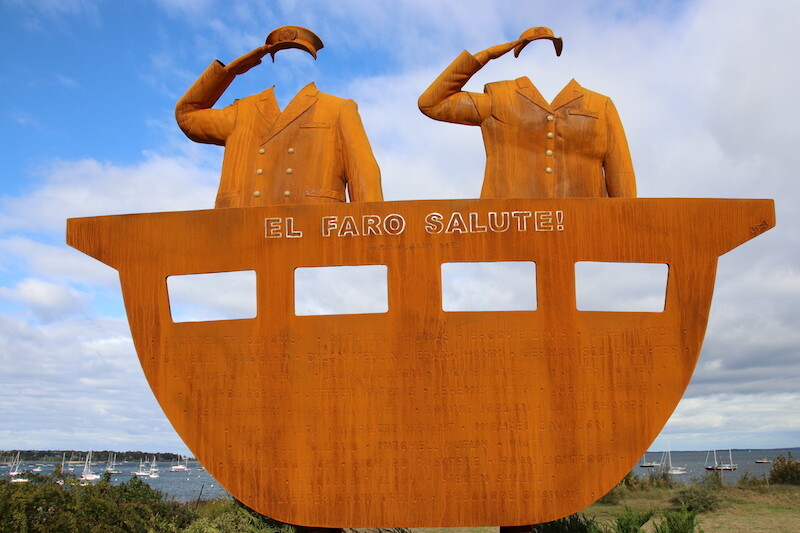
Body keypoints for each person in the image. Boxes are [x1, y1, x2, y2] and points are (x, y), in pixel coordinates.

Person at [176, 26, 383, 208]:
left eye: (300, 56)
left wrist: (372, 229)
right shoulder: (242, 110)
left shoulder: (338, 108)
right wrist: (227, 73)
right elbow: (187, 115)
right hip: (240, 226)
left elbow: (363, 174)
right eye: (281, 57)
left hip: (313, 226)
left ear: (313, 63)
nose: (291, 65)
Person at [418, 26, 636, 199]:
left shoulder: (600, 105)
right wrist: (483, 57)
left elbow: (621, 175)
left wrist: (628, 227)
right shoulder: (498, 97)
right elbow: (432, 104)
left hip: (584, 228)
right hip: (508, 228)